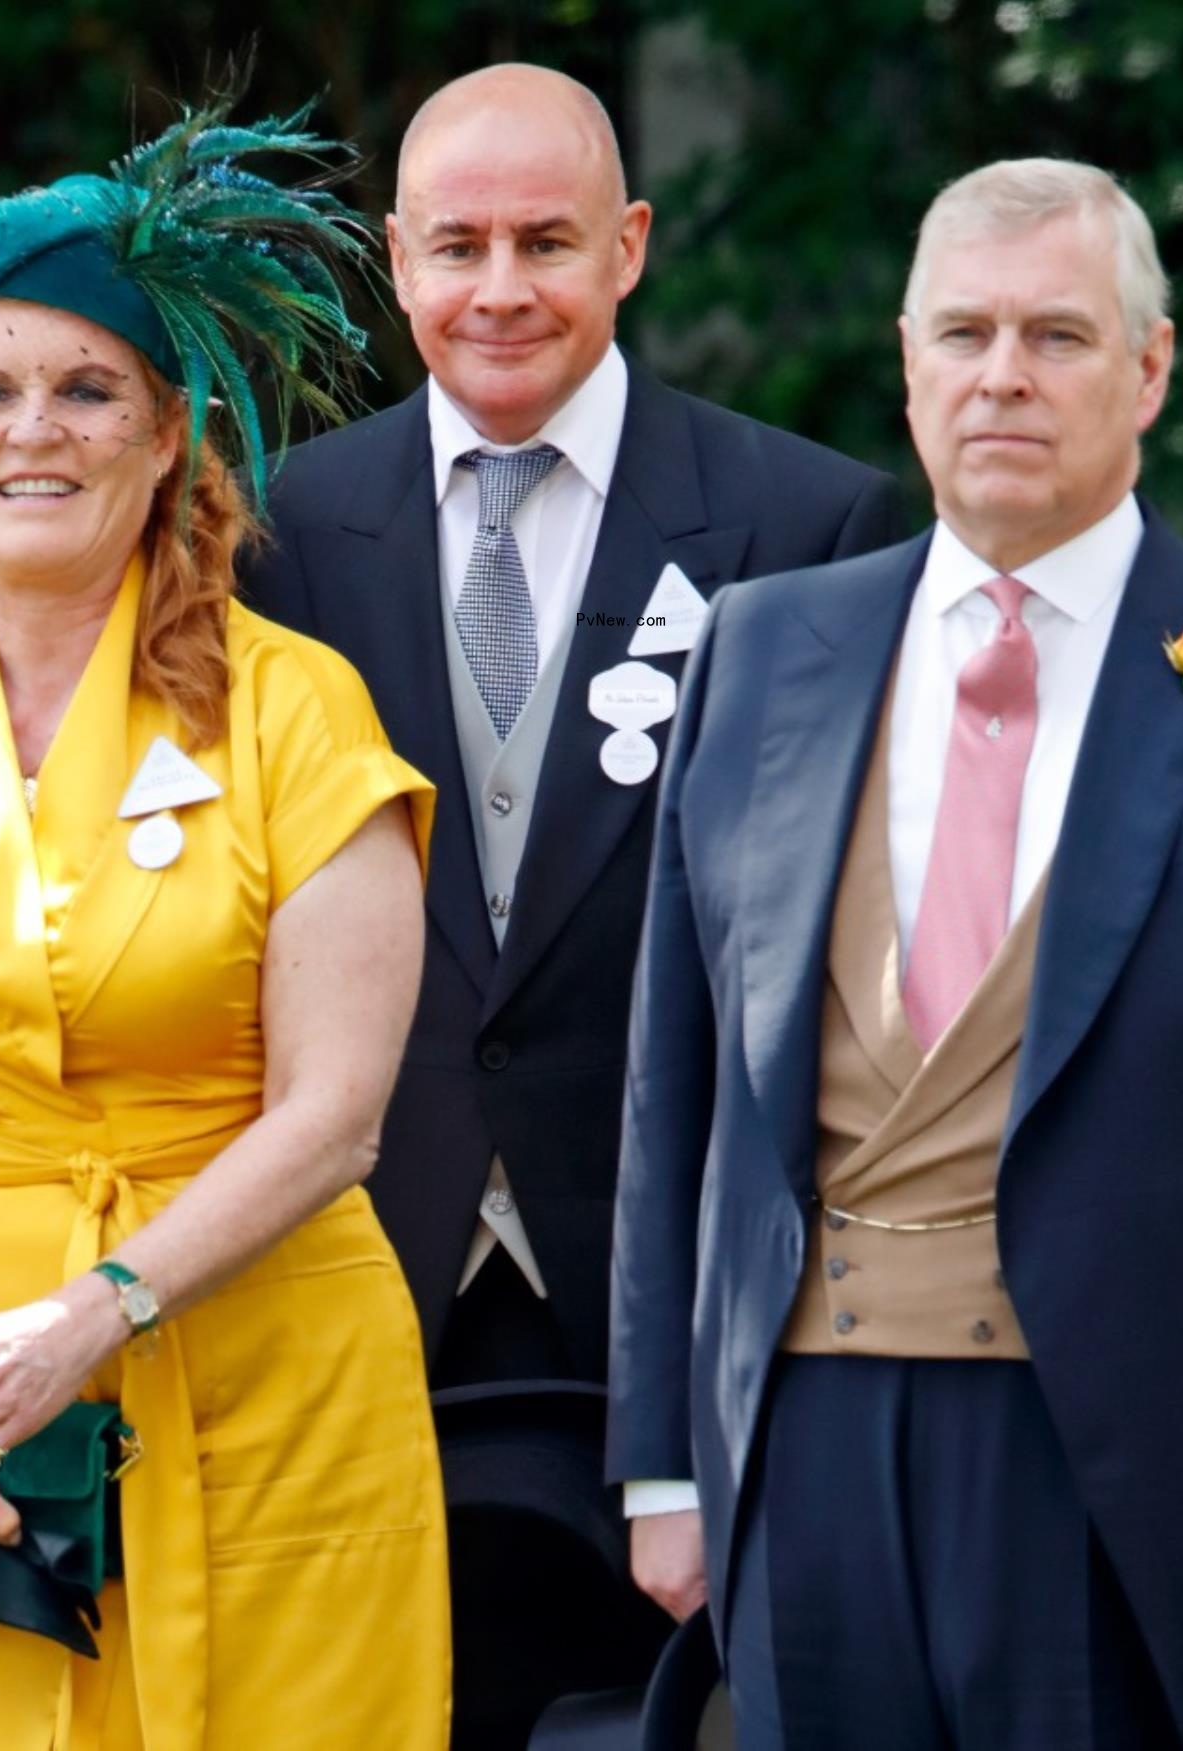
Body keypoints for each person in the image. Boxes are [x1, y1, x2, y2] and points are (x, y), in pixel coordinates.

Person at [608, 157, 1183, 1750]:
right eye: (963, 335)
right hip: (804, 1453)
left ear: (1151, 368)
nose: (1003, 378)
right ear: (908, 363)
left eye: (1059, 336)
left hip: (1143, 1462)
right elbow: (669, 1081)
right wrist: (668, 1464)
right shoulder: (766, 651)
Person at [0, 106, 449, 1748]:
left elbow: (335, 1120)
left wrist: (93, 1311)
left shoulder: (296, 714)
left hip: (265, 1391)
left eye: (86, 387)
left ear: (169, 431)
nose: (34, 431)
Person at [239, 63, 903, 1740]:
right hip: (363, 1263)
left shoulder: (804, 524)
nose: (502, 288)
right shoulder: (283, 528)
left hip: (660, 1286)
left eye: (548, 239)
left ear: (632, 245)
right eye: (457, 244)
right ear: (395, 261)